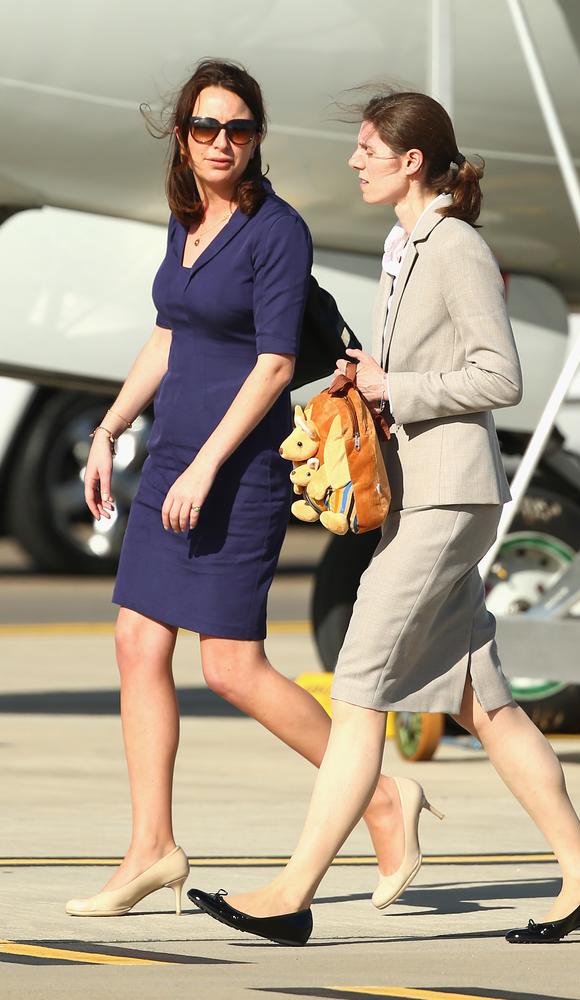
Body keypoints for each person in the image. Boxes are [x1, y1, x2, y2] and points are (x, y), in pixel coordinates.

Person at [188, 90, 580, 946]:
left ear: (411, 160)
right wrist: (370, 380)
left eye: (367, 149)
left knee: (357, 689)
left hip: (448, 496)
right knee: (484, 700)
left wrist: (403, 389)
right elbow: (429, 368)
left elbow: (501, 376)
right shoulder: (404, 245)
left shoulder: (454, 244)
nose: (355, 161)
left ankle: (291, 895)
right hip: (419, 491)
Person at [65, 62, 409, 919]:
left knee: (230, 667)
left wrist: (207, 466)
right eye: (208, 128)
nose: (224, 143)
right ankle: (152, 848)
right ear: (182, 135)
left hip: (236, 467)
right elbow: (167, 337)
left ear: (258, 138)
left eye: (241, 129)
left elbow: (276, 364)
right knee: (136, 643)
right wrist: (108, 432)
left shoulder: (276, 231)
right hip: (173, 456)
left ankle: (379, 798)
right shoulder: (188, 216)